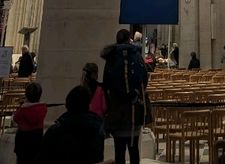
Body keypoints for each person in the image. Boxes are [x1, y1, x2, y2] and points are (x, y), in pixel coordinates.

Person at [101, 28, 149, 164]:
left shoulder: (111, 58)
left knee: (119, 152)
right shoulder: (137, 55)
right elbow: (144, 78)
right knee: (134, 152)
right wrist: (136, 95)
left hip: (117, 112)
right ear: (129, 39)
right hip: (134, 112)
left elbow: (106, 83)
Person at [37, 85, 104, 164]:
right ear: (89, 106)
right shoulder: (97, 129)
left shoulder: (54, 131)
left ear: (67, 105)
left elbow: (42, 158)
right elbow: (97, 157)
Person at [13, 81, 48, 164]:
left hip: (23, 139)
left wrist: (21, 106)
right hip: (37, 137)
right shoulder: (43, 108)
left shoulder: (23, 110)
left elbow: (16, 119)